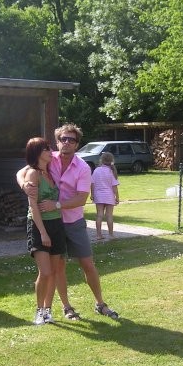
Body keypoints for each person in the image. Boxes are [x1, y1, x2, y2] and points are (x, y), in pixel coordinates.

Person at [17, 124, 119, 320]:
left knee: (87, 263)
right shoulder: (49, 158)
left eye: (71, 140)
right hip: (51, 223)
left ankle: (100, 303)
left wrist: (56, 205)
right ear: (57, 142)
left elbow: (81, 199)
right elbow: (22, 172)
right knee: (58, 268)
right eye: (63, 139)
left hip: (73, 221)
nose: (66, 142)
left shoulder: (83, 167)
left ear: (77, 144)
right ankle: (66, 307)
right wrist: (25, 185)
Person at [24, 137, 66, 325]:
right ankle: (39, 310)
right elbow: (33, 206)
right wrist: (42, 233)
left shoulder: (50, 172)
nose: (51, 152)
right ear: (36, 153)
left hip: (57, 224)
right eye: (46, 149)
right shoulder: (33, 174)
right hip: (39, 226)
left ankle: (48, 310)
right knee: (46, 272)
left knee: (54, 271)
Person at [91, 152, 120, 240]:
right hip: (109, 196)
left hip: (98, 196)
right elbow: (114, 187)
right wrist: (117, 197)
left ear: (101, 160)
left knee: (99, 215)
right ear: (112, 161)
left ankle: (98, 235)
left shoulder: (96, 170)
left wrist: (92, 194)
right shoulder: (111, 172)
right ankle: (111, 234)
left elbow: (92, 183)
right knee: (109, 215)